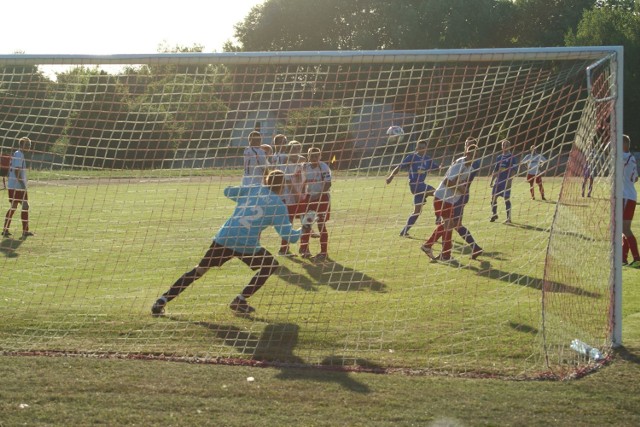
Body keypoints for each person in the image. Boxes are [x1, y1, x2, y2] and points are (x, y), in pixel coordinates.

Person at [151, 170, 304, 316]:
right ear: (283, 186)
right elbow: (291, 237)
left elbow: (227, 191)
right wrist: (306, 226)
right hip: (246, 243)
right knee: (270, 265)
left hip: (225, 236)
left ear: (266, 180)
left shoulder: (254, 189)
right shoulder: (278, 205)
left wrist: (244, 191)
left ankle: (162, 300)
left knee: (200, 270)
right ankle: (240, 300)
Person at [421, 143, 478, 261]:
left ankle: (434, 249)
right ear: (466, 153)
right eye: (471, 154)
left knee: (449, 225)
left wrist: (462, 189)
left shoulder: (470, 167)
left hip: (449, 200)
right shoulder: (460, 164)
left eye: (475, 154)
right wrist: (461, 189)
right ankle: (440, 252)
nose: (473, 156)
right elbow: (447, 181)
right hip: (442, 197)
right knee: (449, 225)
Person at [386, 139, 440, 237]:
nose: (421, 149)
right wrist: (391, 176)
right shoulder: (412, 157)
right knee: (440, 194)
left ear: (426, 148)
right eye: (419, 147)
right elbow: (399, 166)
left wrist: (440, 167)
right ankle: (438, 217)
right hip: (415, 185)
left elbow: (436, 168)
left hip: (421, 185)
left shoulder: (428, 159)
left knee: (417, 212)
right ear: (416, 148)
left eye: (423, 148)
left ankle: (404, 232)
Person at [297, 147, 332, 262]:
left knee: (321, 225)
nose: (314, 158)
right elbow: (303, 182)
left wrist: (319, 195)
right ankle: (305, 249)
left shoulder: (324, 167)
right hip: (309, 198)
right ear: (308, 156)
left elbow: (328, 183)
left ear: (320, 156)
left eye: (316, 156)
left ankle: (323, 252)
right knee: (306, 224)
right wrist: (302, 195)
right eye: (311, 156)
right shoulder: (305, 167)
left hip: (322, 198)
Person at [452, 137, 483, 259]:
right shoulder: (463, 160)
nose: (467, 147)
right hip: (456, 194)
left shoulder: (472, 162)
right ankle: (475, 248)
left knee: (453, 224)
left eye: (470, 145)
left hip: (460, 195)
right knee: (452, 224)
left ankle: (444, 253)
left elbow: (458, 178)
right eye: (466, 144)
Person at [278, 140, 306, 256]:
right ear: (288, 151)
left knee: (306, 222)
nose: (296, 152)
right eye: (293, 149)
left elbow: (305, 181)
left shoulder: (302, 164)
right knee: (288, 223)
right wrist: (297, 195)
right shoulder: (285, 165)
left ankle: (304, 248)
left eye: (298, 149)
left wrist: (303, 194)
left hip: (301, 196)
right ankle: (284, 249)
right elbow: (288, 182)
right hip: (289, 197)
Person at [3, 136, 34, 238]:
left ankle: (7, 230)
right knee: (23, 206)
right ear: (22, 145)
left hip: (14, 186)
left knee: (16, 206)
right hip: (17, 186)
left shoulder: (18, 154)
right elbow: (16, 171)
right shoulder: (19, 154)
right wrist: (22, 185)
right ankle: (24, 231)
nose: (29, 146)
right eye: (28, 145)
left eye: (29, 145)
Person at [490, 139, 518, 224]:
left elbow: (514, 170)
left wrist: (509, 181)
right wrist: (492, 181)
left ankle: (508, 219)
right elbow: (496, 170)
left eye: (506, 145)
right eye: (503, 145)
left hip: (506, 182)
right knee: (493, 198)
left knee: (506, 199)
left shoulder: (512, 157)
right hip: (498, 181)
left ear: (509, 147)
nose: (504, 147)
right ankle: (494, 214)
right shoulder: (499, 157)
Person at [622, 135, 639, 268]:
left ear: (625, 144)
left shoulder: (623, 156)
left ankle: (637, 259)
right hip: (629, 195)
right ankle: (623, 259)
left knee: (625, 228)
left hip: (626, 196)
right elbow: (636, 178)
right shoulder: (631, 158)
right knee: (623, 228)